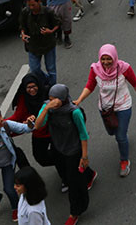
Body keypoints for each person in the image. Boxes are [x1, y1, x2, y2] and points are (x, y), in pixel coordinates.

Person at [73, 44, 136, 178]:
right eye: (103, 59)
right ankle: (122, 136)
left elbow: (135, 83)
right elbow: (90, 86)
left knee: (120, 136)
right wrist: (79, 100)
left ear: (114, 57)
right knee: (112, 132)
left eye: (109, 59)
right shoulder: (95, 69)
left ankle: (124, 161)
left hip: (123, 106)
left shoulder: (124, 68)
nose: (106, 62)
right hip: (105, 109)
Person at [33, 84, 96, 225]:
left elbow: (83, 134)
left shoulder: (74, 112)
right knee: (66, 176)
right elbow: (38, 125)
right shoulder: (48, 107)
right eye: (50, 99)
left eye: (56, 99)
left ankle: (75, 212)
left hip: (73, 150)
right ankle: (89, 174)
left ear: (63, 98)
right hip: (58, 147)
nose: (53, 101)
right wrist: (47, 108)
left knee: (74, 183)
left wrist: (84, 157)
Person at [6, 73, 66, 189]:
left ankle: (65, 177)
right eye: (28, 87)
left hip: (54, 131)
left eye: (34, 86)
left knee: (57, 155)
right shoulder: (24, 98)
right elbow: (18, 116)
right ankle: (66, 162)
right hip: (38, 132)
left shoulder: (48, 94)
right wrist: (2, 123)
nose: (32, 90)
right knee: (41, 158)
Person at [19, 0, 59, 86]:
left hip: (48, 44)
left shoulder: (48, 12)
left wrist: (50, 31)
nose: (31, 7)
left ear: (39, 2)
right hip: (33, 46)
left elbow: (57, 24)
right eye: (29, 5)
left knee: (51, 69)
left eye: (33, 5)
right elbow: (22, 26)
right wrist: (23, 34)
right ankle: (46, 80)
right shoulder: (25, 12)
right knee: (35, 69)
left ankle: (52, 88)